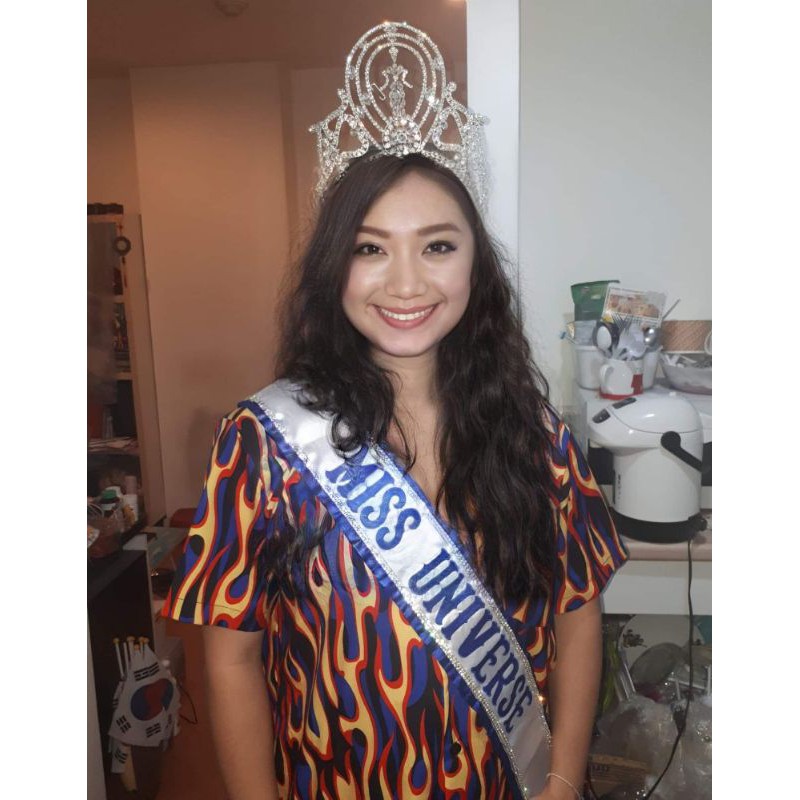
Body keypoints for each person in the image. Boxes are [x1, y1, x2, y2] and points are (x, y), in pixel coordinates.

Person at [163, 21, 628, 800]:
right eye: (370, 247)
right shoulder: (264, 442)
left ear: (476, 263)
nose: (406, 283)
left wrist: (560, 780)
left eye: (438, 246)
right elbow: (231, 654)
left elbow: (579, 617)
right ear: (333, 267)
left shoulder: (537, 437)